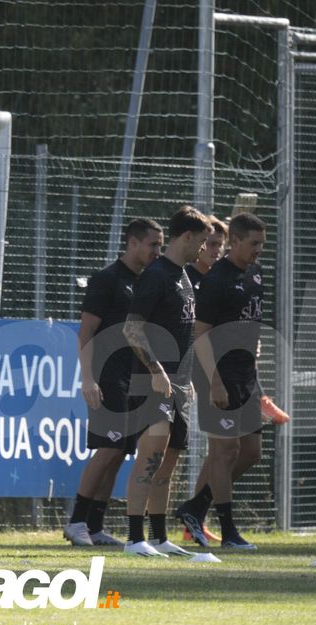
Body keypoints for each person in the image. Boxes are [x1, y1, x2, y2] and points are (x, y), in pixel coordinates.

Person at [64, 218, 163, 546]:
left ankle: (94, 525)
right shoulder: (107, 279)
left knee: (120, 452)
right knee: (107, 448)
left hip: (134, 378)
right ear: (133, 243)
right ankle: (76, 520)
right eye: (152, 245)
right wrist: (88, 378)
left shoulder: (150, 281)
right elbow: (86, 332)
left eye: (160, 245)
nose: (156, 251)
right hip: (107, 376)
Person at [174, 213, 268, 550]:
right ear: (237, 242)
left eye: (262, 244)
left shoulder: (256, 276)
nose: (259, 250)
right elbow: (201, 336)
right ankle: (229, 532)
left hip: (246, 374)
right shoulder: (217, 280)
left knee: (252, 452)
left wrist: (256, 378)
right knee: (224, 452)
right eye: (253, 244)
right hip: (217, 373)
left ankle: (195, 507)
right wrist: (214, 382)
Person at [122, 205, 211, 557]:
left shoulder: (184, 276)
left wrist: (187, 380)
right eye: (202, 242)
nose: (204, 249)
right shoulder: (157, 275)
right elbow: (132, 328)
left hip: (180, 383)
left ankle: (158, 537)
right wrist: (156, 370)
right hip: (152, 381)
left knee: (171, 458)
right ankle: (134, 538)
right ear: (187, 237)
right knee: (151, 453)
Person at [181, 214, 228, 544]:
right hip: (192, 373)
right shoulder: (185, 278)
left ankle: (193, 517)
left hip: (219, 372)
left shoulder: (220, 280)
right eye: (210, 244)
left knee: (222, 450)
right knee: (218, 449)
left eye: (219, 246)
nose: (214, 250)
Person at [185, 215, 226, 292]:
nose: (218, 250)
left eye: (221, 245)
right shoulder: (185, 280)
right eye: (212, 244)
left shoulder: (222, 279)